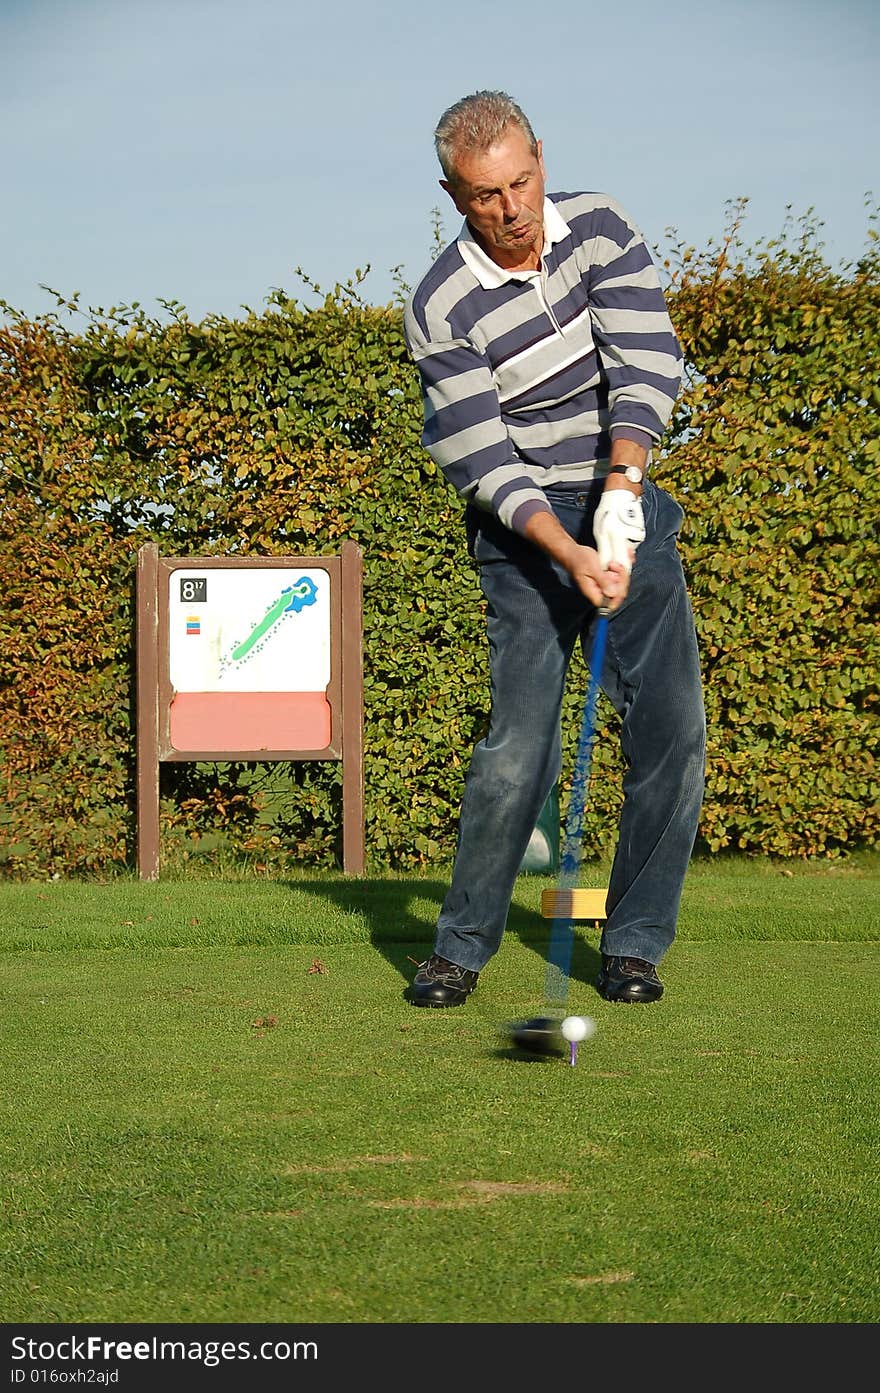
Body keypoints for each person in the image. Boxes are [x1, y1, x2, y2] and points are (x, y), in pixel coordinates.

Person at [403, 91, 705, 1007]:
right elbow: (483, 456)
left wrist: (622, 490)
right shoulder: (440, 303)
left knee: (672, 732)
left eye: (523, 181)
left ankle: (634, 944)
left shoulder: (603, 230)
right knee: (515, 752)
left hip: (625, 506)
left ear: (541, 155)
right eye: (486, 195)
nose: (513, 210)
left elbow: (646, 362)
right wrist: (565, 550)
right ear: (455, 194)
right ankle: (460, 946)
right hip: (523, 538)